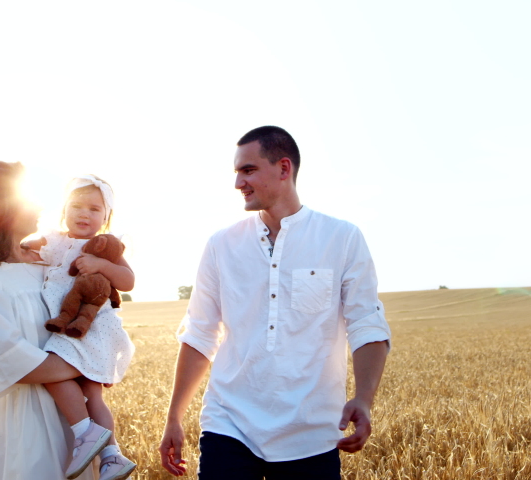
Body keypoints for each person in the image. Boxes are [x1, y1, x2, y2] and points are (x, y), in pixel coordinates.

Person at [158, 126, 392, 479]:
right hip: (228, 424)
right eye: (237, 172)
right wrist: (174, 416)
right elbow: (200, 334)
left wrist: (364, 398)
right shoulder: (221, 244)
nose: (238, 182)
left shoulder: (341, 238)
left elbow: (367, 324)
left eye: (248, 170)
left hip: (311, 432)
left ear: (284, 169)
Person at [0, 161, 99, 479]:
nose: (39, 205)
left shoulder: (49, 259)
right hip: (31, 422)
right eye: (27, 197)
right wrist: (92, 362)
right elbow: (12, 362)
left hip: (80, 414)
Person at [31, 175, 137, 480]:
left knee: (53, 375)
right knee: (91, 393)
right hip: (72, 326)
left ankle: (84, 432)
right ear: (63, 208)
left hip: (92, 329)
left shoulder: (106, 248)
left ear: (106, 217)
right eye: (76, 206)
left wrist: (102, 265)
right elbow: (24, 249)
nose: (84, 213)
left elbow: (128, 281)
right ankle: (112, 456)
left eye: (94, 209)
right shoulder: (54, 240)